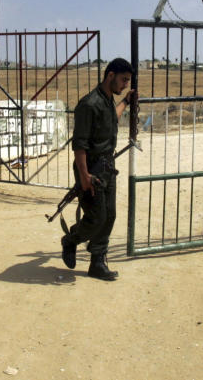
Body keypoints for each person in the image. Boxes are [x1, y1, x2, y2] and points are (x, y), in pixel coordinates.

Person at [60, 57, 136, 280]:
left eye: (128, 81)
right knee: (96, 216)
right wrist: (84, 176)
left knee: (109, 215)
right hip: (91, 169)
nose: (125, 85)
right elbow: (80, 145)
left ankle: (97, 263)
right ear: (110, 75)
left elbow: (113, 118)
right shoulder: (89, 104)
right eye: (123, 80)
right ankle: (71, 240)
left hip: (107, 167)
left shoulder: (107, 100)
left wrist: (126, 102)